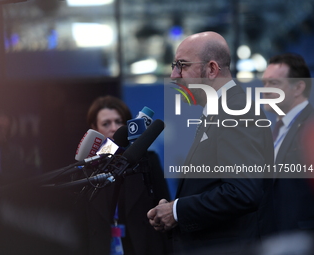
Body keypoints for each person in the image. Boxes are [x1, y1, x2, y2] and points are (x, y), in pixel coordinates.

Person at [147, 31, 275, 254]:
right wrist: (173, 209)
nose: (174, 75)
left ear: (212, 69)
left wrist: (177, 211)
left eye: (182, 65)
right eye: (173, 65)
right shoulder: (220, 111)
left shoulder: (236, 111)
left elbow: (242, 192)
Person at [80, 95, 171, 255]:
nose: (113, 128)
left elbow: (164, 206)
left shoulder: (148, 160)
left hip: (143, 247)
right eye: (106, 123)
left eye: (119, 122)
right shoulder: (87, 169)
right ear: (95, 129)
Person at [262, 53, 314, 233]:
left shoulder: (310, 128)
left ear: (298, 87)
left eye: (273, 83)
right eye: (264, 83)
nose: (265, 90)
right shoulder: (275, 131)